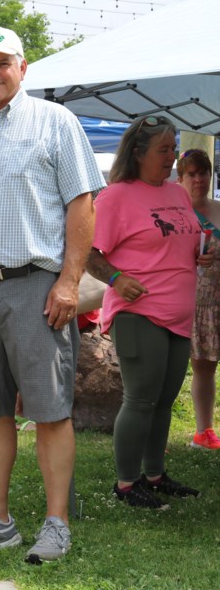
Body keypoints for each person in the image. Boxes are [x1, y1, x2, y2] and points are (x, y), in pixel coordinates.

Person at [0, 27, 104, 564]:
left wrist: (70, 281)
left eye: (2, 63)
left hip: (39, 286)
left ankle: (56, 523)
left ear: (23, 67)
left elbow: (82, 204)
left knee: (50, 411)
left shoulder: (56, 122)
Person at [86, 119, 209, 510]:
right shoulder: (115, 197)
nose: (172, 157)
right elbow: (89, 253)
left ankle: (155, 475)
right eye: (164, 150)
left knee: (164, 400)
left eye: (174, 148)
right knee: (141, 399)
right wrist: (118, 279)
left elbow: (177, 240)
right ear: (137, 153)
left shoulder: (175, 191)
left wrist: (198, 253)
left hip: (179, 312)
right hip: (139, 313)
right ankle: (126, 484)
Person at [176, 149, 220, 450]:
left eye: (203, 172)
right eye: (191, 174)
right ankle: (204, 432)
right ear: (180, 179)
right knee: (204, 368)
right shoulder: (176, 216)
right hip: (198, 302)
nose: (199, 179)